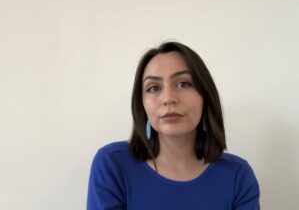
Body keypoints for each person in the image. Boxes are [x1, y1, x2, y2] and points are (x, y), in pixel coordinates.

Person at [87, 41, 260, 210]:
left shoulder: (238, 176)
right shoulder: (112, 165)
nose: (168, 98)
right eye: (153, 88)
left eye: (183, 84)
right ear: (143, 106)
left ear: (205, 97)